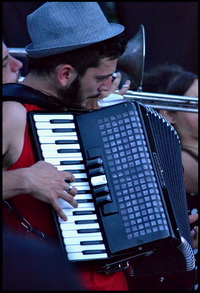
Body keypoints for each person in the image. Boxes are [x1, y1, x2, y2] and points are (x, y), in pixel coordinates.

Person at [2, 2, 131, 290]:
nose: (107, 87)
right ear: (65, 74)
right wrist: (20, 178)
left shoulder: (83, 107)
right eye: (100, 79)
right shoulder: (11, 113)